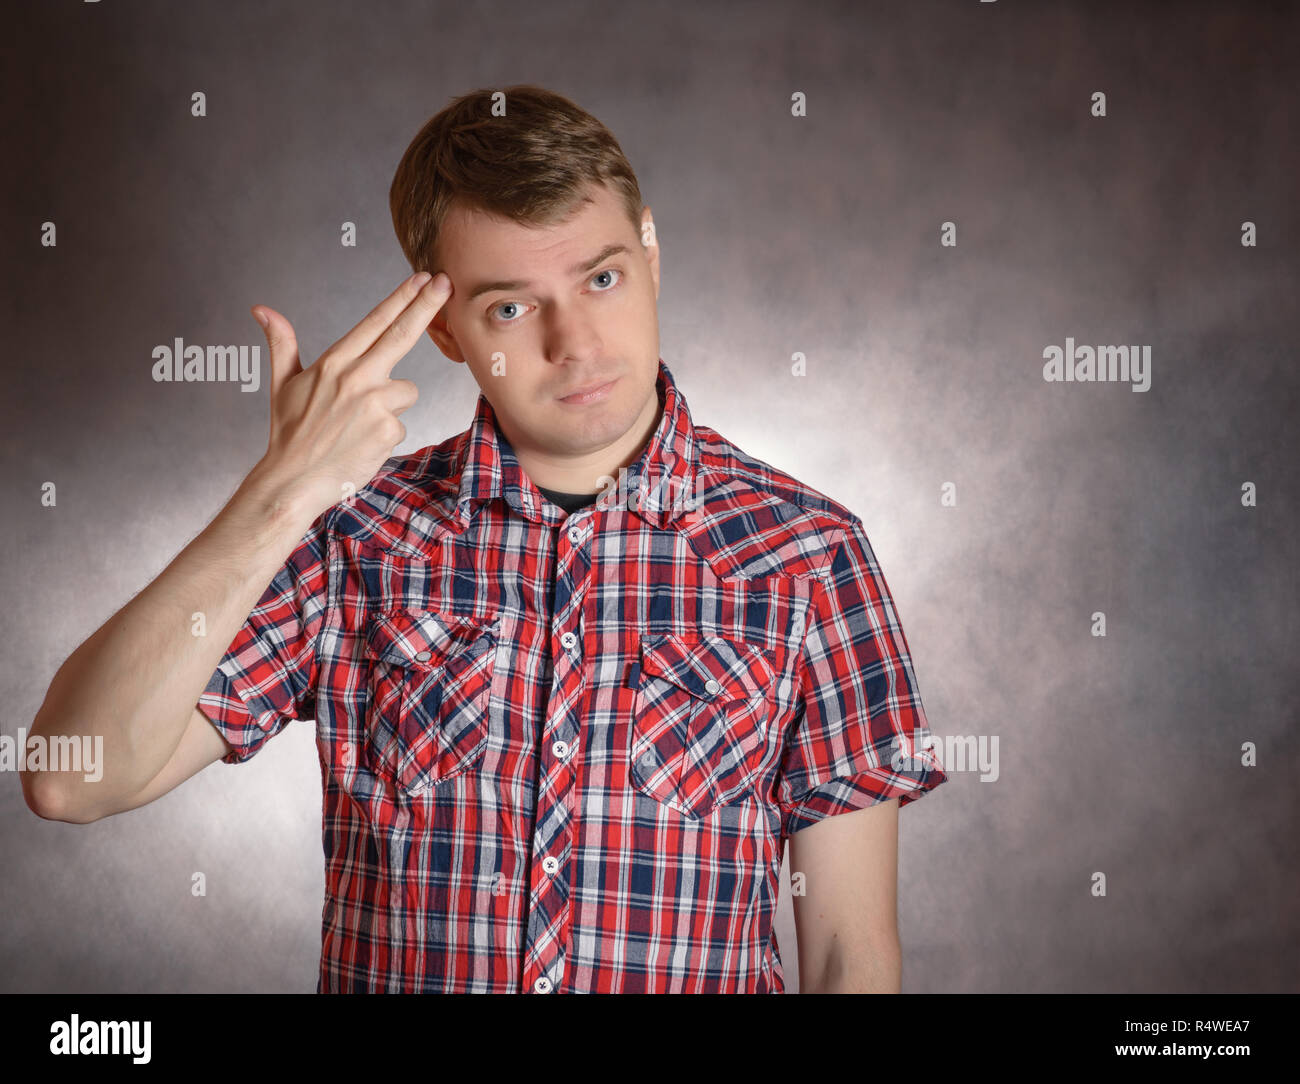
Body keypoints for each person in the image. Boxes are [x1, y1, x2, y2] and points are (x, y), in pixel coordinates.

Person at [22, 84, 947, 994]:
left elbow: (847, 957)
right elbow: (75, 778)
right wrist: (282, 492)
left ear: (652, 254)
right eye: (511, 308)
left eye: (602, 277)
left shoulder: (809, 554)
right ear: (445, 331)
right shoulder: (353, 536)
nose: (575, 344)